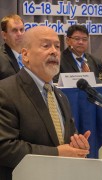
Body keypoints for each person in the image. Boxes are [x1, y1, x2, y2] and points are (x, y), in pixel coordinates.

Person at [0, 26, 91, 180]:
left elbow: (64, 142)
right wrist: (57, 153)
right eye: (46, 46)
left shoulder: (61, 96)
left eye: (57, 46)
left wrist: (78, 147)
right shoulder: (6, 91)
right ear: (25, 54)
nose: (54, 51)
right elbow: (5, 148)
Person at [0, 14, 25, 80]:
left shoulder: (31, 55)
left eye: (21, 30)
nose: (19, 34)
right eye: (14, 30)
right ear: (4, 35)